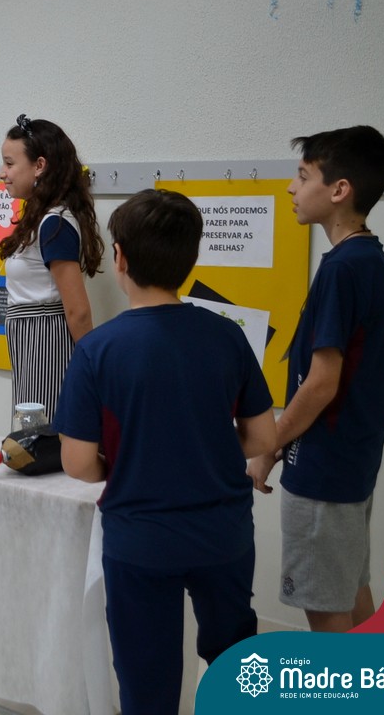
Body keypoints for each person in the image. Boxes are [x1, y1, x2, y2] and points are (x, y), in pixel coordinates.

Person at [55, 189, 276, 715]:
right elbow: (264, 438)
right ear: (191, 258)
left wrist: (131, 459)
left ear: (120, 258)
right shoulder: (227, 336)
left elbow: (78, 464)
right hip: (223, 535)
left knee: (146, 684)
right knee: (235, 668)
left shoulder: (96, 351)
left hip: (141, 541)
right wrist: (209, 448)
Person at [247, 125, 384, 633]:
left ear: (339, 190)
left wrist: (266, 445)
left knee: (328, 613)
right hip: (352, 462)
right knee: (352, 593)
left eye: (303, 175)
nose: (292, 187)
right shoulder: (371, 260)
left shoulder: (341, 269)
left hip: (324, 471)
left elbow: (320, 384)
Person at [0, 113, 103, 421]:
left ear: (39, 165)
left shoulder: (55, 223)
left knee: (45, 432)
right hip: (31, 341)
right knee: (32, 430)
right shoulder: (42, 219)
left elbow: (78, 310)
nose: (2, 173)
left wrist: (93, 370)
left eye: (9, 163)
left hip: (46, 342)